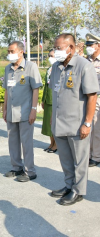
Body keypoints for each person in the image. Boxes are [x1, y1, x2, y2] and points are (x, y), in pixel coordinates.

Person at [49, 33, 98, 205]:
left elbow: (92, 96)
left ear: (71, 47)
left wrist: (87, 123)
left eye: (59, 48)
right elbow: (55, 93)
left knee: (80, 160)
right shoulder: (56, 67)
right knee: (65, 158)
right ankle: (69, 185)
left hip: (77, 124)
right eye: (55, 48)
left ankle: (78, 191)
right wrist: (52, 120)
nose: (56, 51)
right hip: (59, 123)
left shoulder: (84, 66)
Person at [3, 41, 42, 182]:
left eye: (11, 51)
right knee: (12, 141)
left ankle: (30, 171)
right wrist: (4, 108)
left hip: (25, 111)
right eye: (8, 51)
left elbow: (35, 89)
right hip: (11, 112)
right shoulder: (8, 68)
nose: (9, 54)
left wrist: (33, 110)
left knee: (27, 143)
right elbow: (7, 90)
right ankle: (16, 167)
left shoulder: (31, 67)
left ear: (21, 51)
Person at [85, 33, 100, 167]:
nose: (88, 47)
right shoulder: (86, 60)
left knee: (96, 128)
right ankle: (88, 154)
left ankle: (96, 156)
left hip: (98, 98)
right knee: (87, 126)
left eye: (91, 45)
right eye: (87, 45)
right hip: (86, 98)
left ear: (98, 46)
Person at [41, 49, 57, 153]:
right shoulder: (49, 69)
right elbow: (46, 86)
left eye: (52, 56)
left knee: (53, 123)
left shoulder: (59, 69)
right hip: (48, 99)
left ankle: (56, 145)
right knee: (47, 123)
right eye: (49, 56)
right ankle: (51, 143)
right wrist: (43, 99)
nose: (50, 58)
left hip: (54, 100)